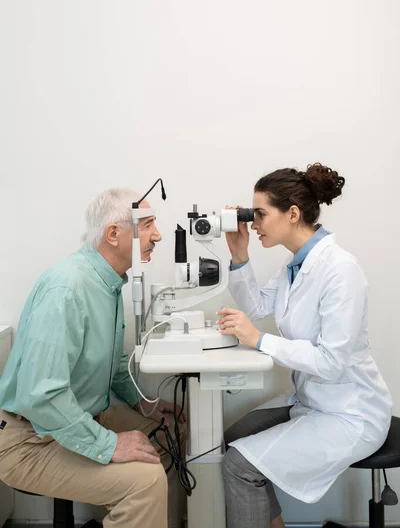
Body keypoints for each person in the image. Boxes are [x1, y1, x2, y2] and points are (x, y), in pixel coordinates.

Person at [217, 164, 392, 528]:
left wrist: (260, 340)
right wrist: (238, 252)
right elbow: (257, 308)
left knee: (239, 465)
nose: (255, 223)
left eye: (260, 214)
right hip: (312, 401)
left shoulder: (340, 270)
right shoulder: (294, 266)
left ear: (292, 214)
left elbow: (331, 361)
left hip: (349, 414)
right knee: (232, 437)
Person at [0, 188, 186, 528]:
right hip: (30, 439)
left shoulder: (108, 283)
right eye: (146, 225)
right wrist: (110, 444)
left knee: (168, 434)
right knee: (143, 484)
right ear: (114, 233)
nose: (157, 235)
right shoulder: (67, 288)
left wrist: (141, 403)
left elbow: (114, 363)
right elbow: (42, 395)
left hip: (82, 414)